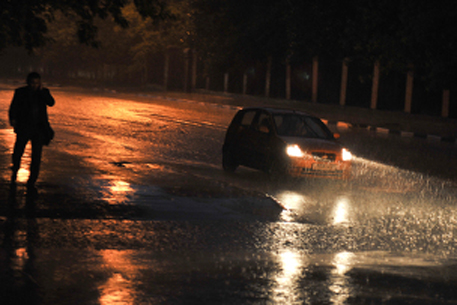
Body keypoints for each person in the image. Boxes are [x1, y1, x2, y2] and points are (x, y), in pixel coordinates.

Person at [9, 72, 55, 191]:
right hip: (24, 127)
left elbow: (51, 103)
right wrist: (13, 120)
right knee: (18, 151)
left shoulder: (43, 92)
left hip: (38, 128)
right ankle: (15, 170)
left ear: (39, 83)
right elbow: (13, 107)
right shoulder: (20, 92)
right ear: (28, 82)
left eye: (36, 83)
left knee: (36, 155)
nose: (34, 85)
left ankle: (32, 180)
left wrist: (41, 91)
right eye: (32, 83)